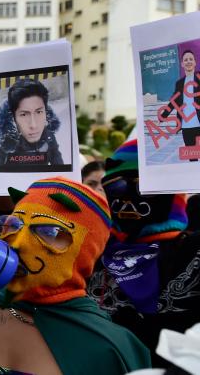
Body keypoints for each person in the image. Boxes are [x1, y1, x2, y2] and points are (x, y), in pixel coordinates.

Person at [0, 177, 151, 374]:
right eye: (13, 225)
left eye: (49, 231)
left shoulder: (107, 347)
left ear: (85, 250)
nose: (17, 242)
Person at [86, 139, 200, 368]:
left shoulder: (193, 252)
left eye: (142, 188)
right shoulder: (92, 249)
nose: (128, 199)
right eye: (116, 187)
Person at [0, 78, 64, 166]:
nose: (33, 125)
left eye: (39, 112)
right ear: (13, 117)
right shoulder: (1, 141)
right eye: (24, 114)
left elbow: (60, 169)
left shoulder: (48, 136)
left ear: (46, 112)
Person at [161, 49, 200, 162]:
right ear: (182, 64)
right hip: (186, 126)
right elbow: (174, 101)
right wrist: (163, 115)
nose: (188, 61)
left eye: (190, 59)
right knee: (192, 157)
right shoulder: (179, 83)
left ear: (195, 62)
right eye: (186, 60)